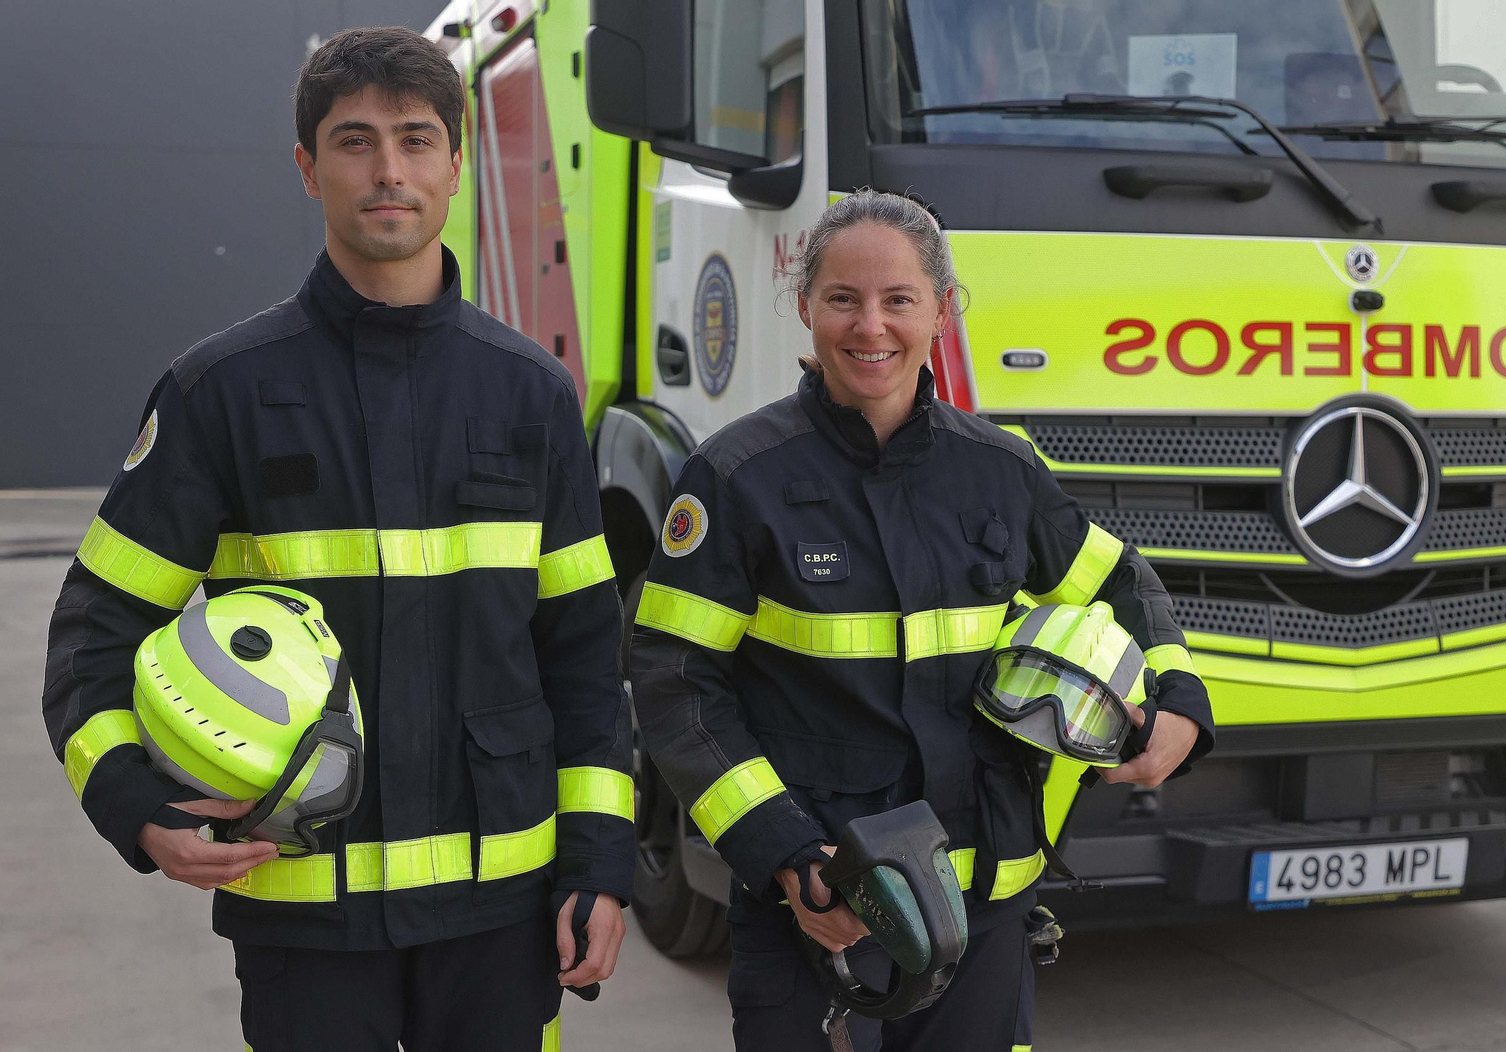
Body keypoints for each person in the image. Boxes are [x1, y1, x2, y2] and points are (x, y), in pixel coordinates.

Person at [41, 27, 631, 1052]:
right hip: (301, 917)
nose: (389, 169)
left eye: (415, 139)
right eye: (355, 141)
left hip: (501, 917)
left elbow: (581, 659)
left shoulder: (532, 396)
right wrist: (138, 804)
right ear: (309, 167)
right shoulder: (219, 394)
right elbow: (93, 637)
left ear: (456, 163)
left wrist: (599, 861)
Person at [630, 189, 1214, 1051]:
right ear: (806, 309)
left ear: (942, 311)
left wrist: (1180, 697)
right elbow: (675, 684)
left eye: (899, 300)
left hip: (986, 912)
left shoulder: (1002, 471)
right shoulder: (735, 479)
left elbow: (1120, 582)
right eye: (844, 300)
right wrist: (788, 857)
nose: (872, 327)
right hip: (822, 913)